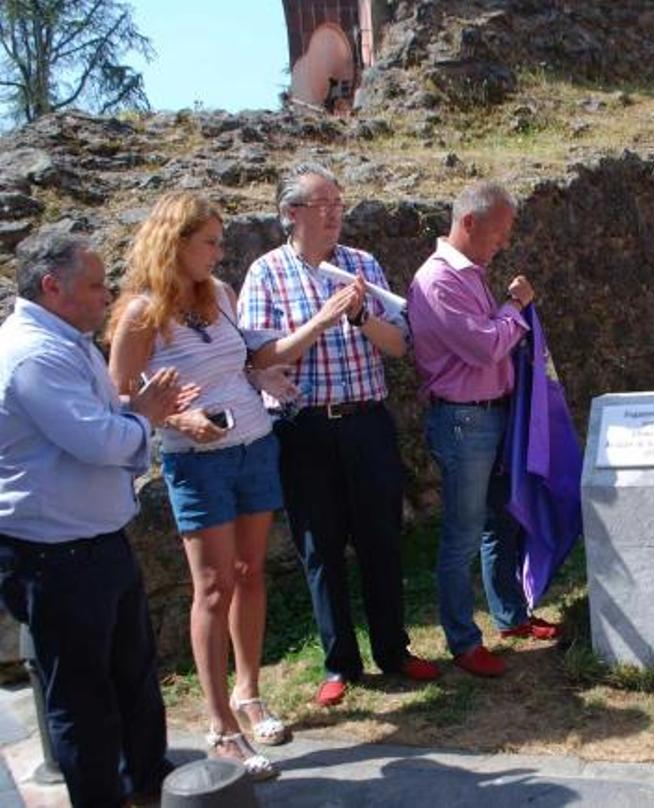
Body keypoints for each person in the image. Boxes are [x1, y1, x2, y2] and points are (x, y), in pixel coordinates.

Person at [107, 192, 360, 779]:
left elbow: (236, 360)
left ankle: (249, 694)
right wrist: (178, 419)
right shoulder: (142, 314)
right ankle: (221, 727)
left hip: (254, 446)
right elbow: (117, 399)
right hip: (199, 463)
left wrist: (259, 375)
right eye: (210, 243)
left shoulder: (218, 295)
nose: (219, 254)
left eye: (220, 242)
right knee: (213, 589)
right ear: (174, 243)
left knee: (249, 574)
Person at [239, 162, 438, 708]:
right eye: (322, 205)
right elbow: (260, 357)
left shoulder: (362, 264)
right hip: (304, 428)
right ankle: (339, 662)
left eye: (338, 204)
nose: (333, 215)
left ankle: (393, 650)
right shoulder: (266, 273)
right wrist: (321, 321)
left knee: (381, 539)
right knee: (320, 546)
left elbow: (398, 345)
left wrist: (359, 317)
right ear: (291, 213)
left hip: (366, 420)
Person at [0, 233, 183, 807]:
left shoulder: (63, 340)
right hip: (56, 556)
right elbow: (96, 440)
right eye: (97, 285)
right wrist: (145, 417)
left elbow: (97, 417)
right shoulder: (33, 354)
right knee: (83, 699)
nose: (108, 296)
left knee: (133, 676)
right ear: (52, 287)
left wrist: (133, 411)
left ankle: (148, 784)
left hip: (95, 543)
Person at [407, 181, 561, 679]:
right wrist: (515, 307)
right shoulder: (438, 281)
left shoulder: (468, 273)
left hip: (487, 415)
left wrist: (506, 315)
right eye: (499, 231)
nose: (504, 241)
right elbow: (486, 346)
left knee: (501, 520)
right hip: (464, 421)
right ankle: (463, 641)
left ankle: (510, 617)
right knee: (464, 533)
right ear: (469, 222)